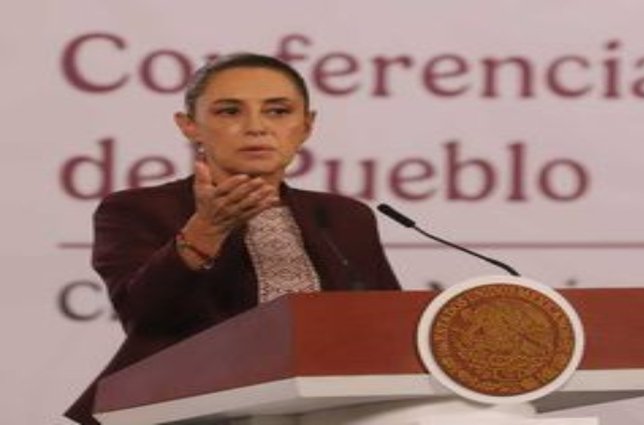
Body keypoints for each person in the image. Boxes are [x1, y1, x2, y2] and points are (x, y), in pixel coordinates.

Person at [65, 53, 401, 425]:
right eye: (229, 111)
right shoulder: (139, 208)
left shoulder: (344, 216)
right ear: (189, 125)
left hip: (326, 411)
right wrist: (206, 229)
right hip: (187, 410)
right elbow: (143, 315)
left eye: (278, 111)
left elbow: (389, 327)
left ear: (306, 126)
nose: (256, 127)